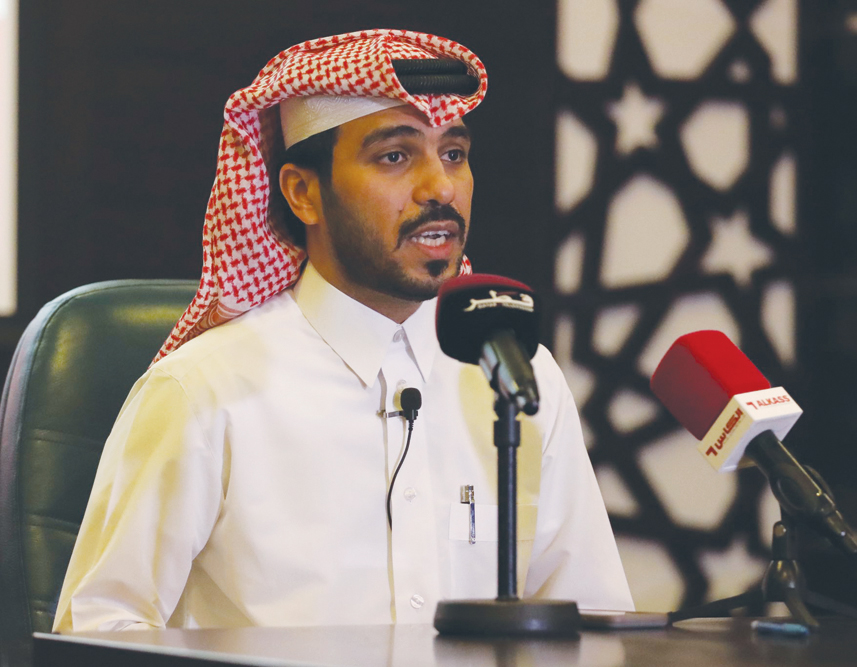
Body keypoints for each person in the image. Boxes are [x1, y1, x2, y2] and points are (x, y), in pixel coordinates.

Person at [53, 30, 633, 632]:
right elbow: (99, 631)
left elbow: (591, 625)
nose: (440, 188)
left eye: (454, 154)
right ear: (303, 193)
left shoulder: (520, 378)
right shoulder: (205, 392)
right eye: (395, 157)